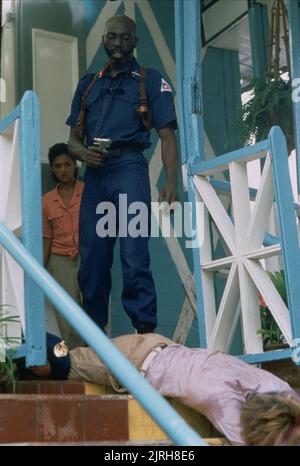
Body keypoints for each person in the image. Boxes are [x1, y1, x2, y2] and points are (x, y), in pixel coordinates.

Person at [66, 15, 179, 334]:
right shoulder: (88, 84)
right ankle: (94, 335)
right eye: (112, 37)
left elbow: (168, 135)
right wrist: (82, 153)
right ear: (104, 38)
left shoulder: (151, 80)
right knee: (92, 259)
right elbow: (73, 139)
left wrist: (171, 181)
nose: (117, 43)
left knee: (134, 252)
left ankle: (145, 332)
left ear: (135, 41)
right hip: (95, 174)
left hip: (130, 169)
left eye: (125, 38)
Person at [19, 333, 300, 446]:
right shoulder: (221, 400)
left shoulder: (279, 388)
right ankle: (20, 340)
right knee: (57, 363)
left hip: (165, 348)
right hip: (136, 359)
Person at [42, 143, 84, 348]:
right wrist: (41, 268)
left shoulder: (88, 191)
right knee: (66, 311)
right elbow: (47, 237)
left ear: (75, 165)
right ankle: (76, 360)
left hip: (87, 257)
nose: (63, 170)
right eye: (57, 166)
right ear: (52, 169)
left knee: (92, 307)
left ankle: (96, 359)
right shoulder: (47, 201)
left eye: (67, 164)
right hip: (60, 260)